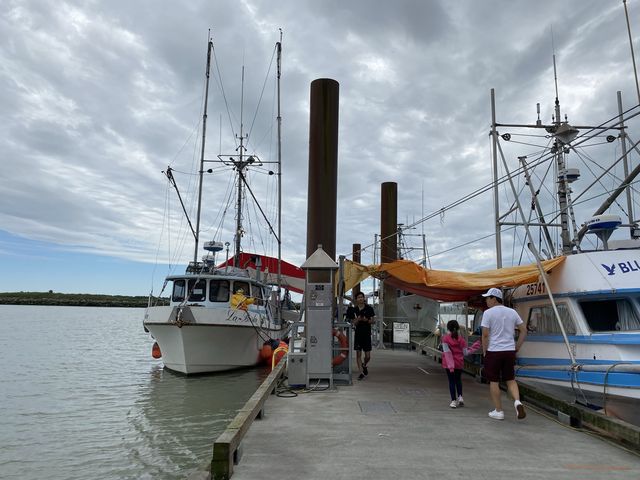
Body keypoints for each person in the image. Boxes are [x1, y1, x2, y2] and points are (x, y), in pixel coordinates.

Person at [480, 287, 527, 420]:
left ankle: (499, 411)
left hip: (494, 351)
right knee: (510, 379)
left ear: (494, 298)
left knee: (494, 381)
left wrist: (485, 351)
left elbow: (485, 335)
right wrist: (516, 347)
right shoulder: (512, 312)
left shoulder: (488, 313)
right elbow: (524, 330)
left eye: (488, 298)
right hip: (509, 351)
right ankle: (517, 402)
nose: (486, 301)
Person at [345, 291, 375, 380]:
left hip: (366, 334)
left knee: (368, 356)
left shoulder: (369, 308)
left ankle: (364, 365)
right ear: (356, 299)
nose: (360, 298)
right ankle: (361, 372)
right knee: (358, 354)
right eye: (358, 297)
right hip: (358, 334)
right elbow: (353, 323)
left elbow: (373, 321)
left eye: (362, 297)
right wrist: (358, 319)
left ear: (364, 298)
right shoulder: (354, 310)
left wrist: (367, 320)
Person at [441, 320, 467, 408]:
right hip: (459, 363)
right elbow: (465, 352)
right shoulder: (462, 340)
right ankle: (460, 397)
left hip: (449, 364)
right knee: (458, 380)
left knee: (451, 381)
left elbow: (447, 352)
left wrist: (450, 365)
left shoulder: (445, 339)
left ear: (448, 328)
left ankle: (453, 401)